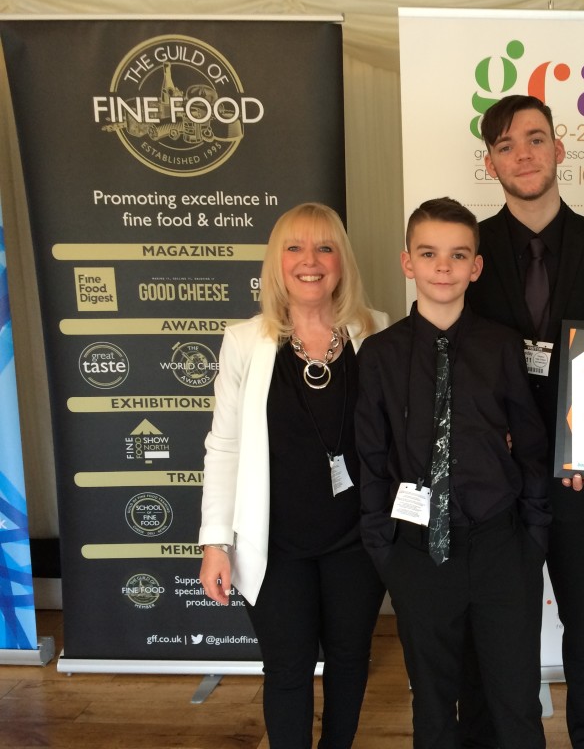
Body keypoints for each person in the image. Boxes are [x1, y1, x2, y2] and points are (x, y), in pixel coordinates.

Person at [463, 94, 584, 748]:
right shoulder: (469, 250)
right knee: (499, 619)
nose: (523, 154)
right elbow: (459, 350)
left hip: (579, 471)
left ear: (560, 150)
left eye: (535, 139)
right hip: (497, 474)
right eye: (506, 145)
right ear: (490, 163)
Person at [357, 197, 551, 749]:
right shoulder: (379, 355)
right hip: (418, 554)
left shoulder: (502, 346)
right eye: (429, 253)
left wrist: (532, 539)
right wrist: (383, 549)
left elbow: (531, 448)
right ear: (407, 263)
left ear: (476, 267)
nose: (443, 266)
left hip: (499, 549)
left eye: (458, 254)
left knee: (515, 701)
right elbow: (371, 459)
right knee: (435, 707)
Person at [198, 202, 387, 749]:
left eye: (325, 247)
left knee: (352, 662)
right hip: (274, 543)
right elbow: (224, 446)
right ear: (276, 263)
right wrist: (216, 542)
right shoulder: (244, 342)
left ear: (342, 262)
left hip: (357, 541)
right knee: (287, 667)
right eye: (295, 248)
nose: (311, 261)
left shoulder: (376, 334)